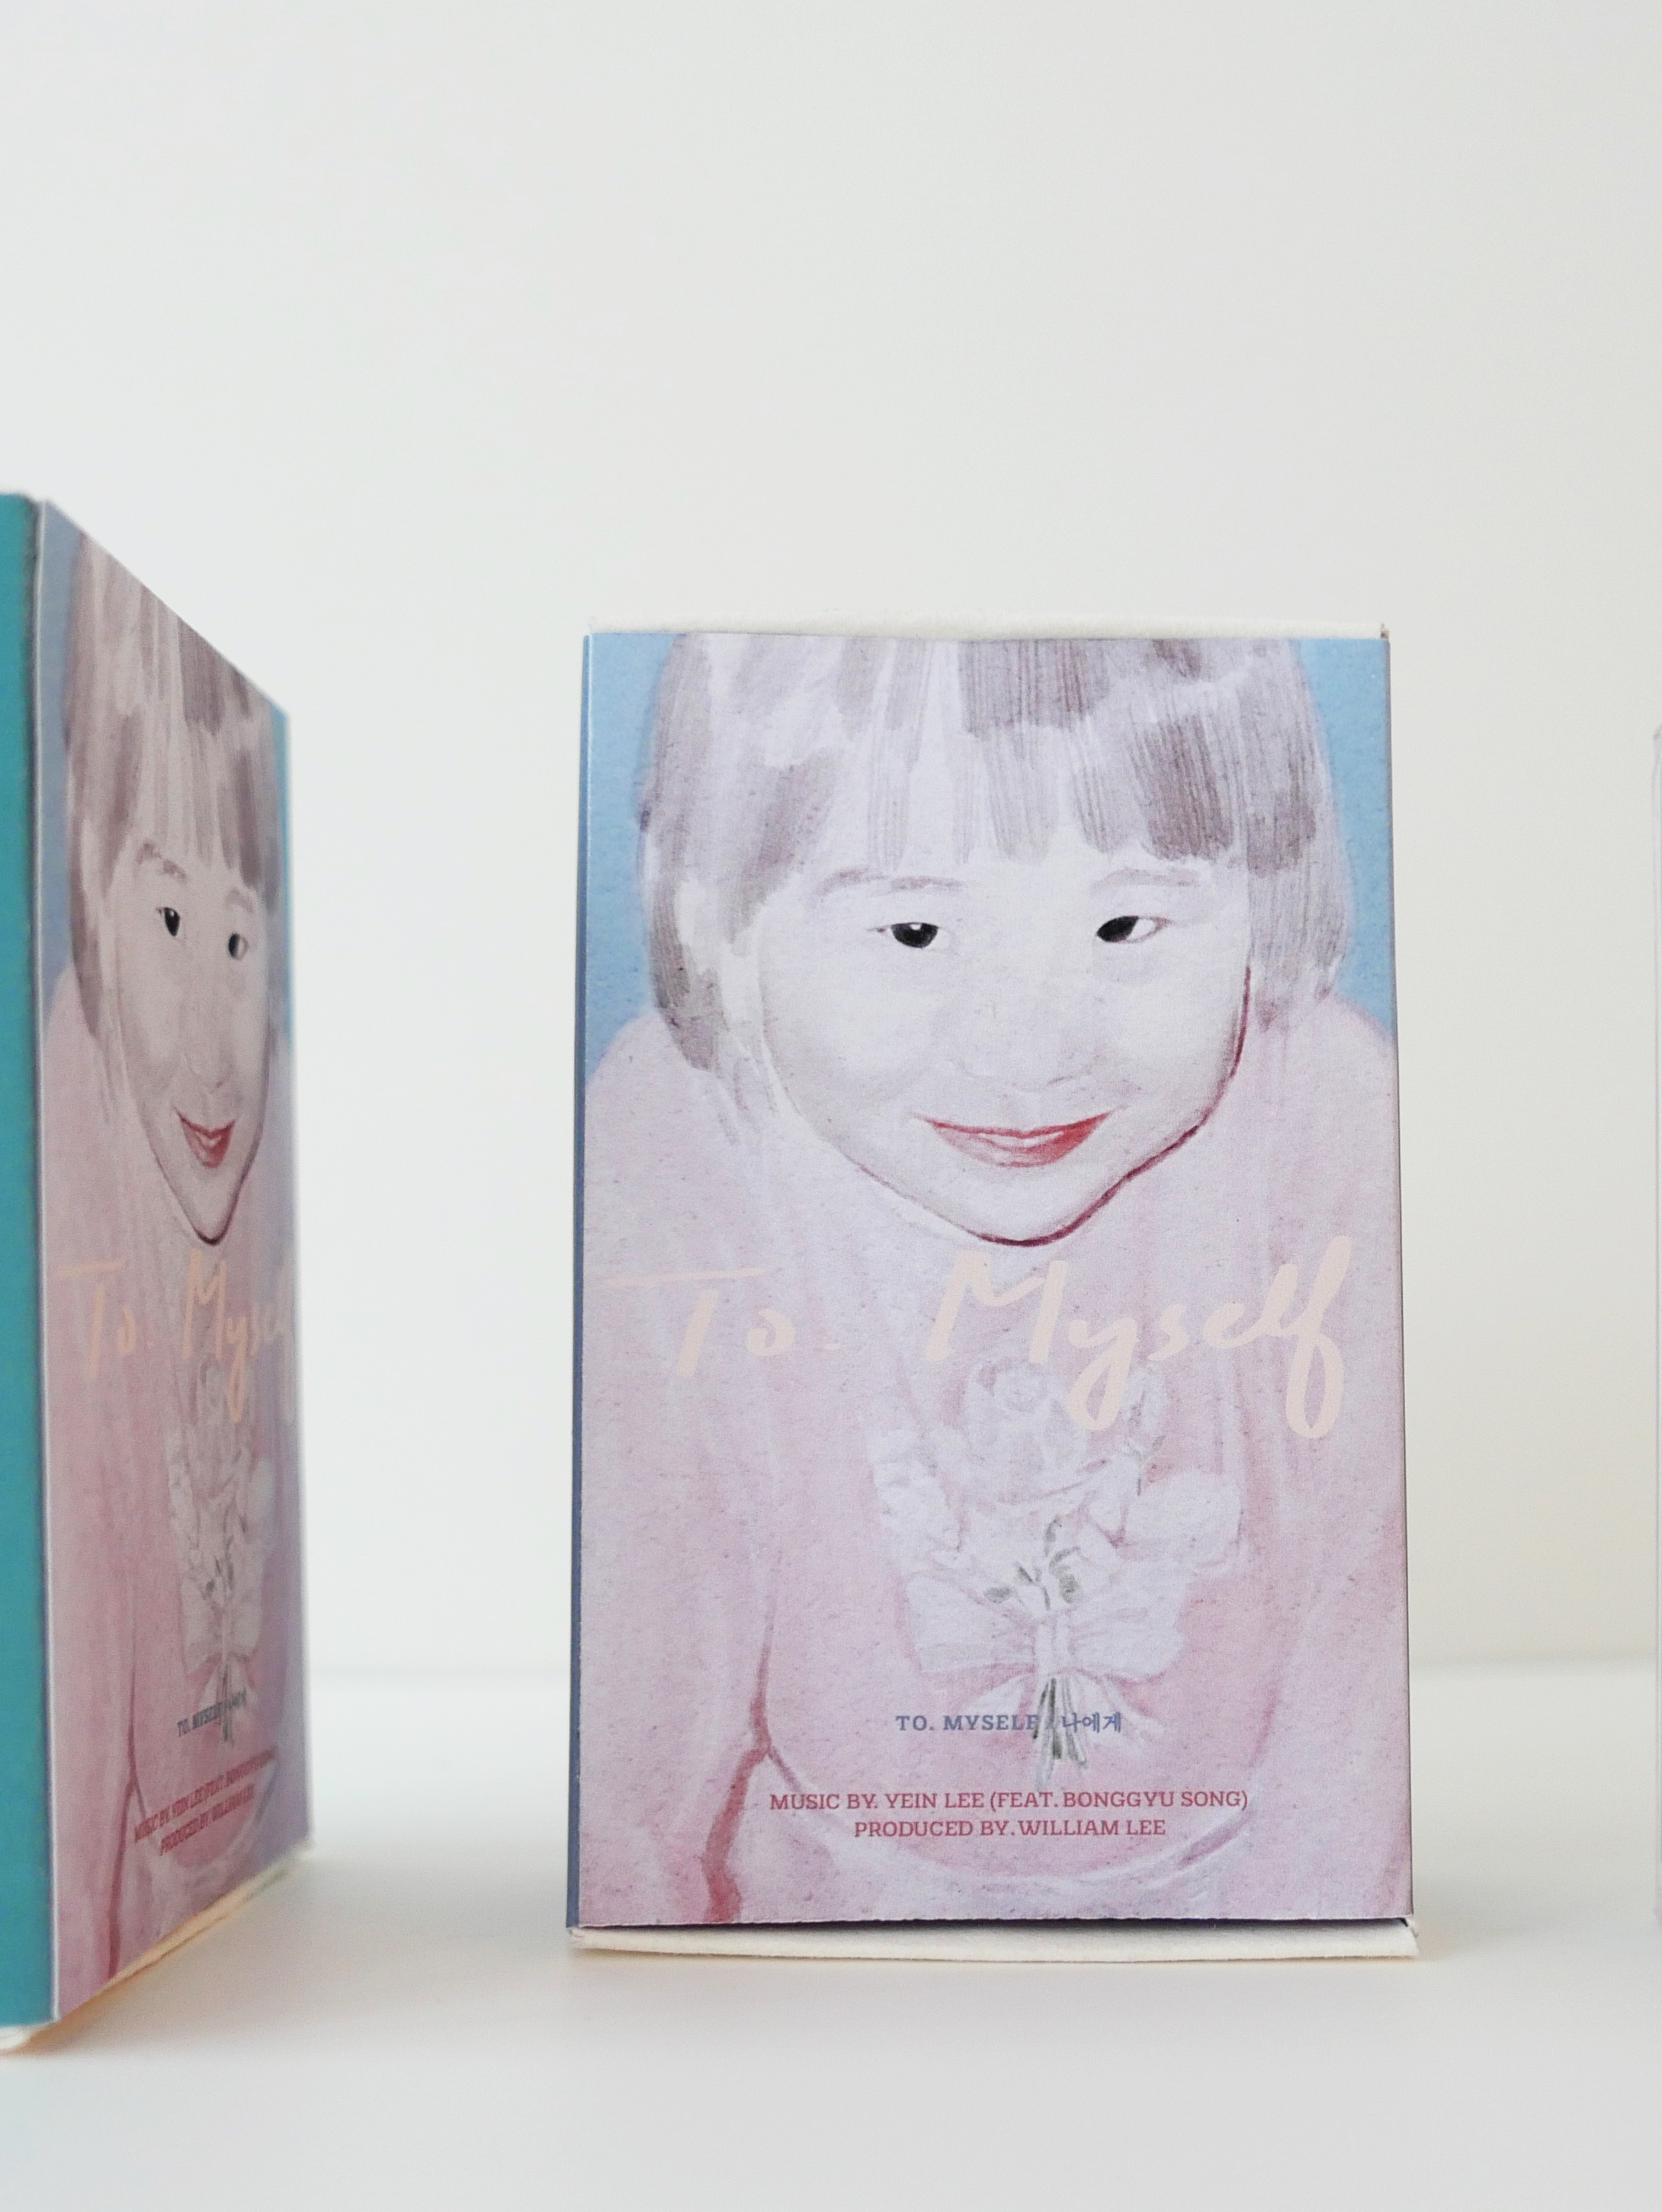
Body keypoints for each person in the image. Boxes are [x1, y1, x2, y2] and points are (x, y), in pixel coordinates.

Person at [577, 634, 1411, 1927]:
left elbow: (1356, 1702)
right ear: (720, 926)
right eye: (912, 930)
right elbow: (641, 1746)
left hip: (1264, 1914)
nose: (1027, 1052)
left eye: (1126, 925)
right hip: (802, 1936)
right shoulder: (684, 1132)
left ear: (1270, 906)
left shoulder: (1325, 1109)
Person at [40, 532, 306, 2002]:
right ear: (91, 895)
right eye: (164, 922)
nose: (215, 1042)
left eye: (241, 941)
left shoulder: (228, 1231)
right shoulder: (68, 1159)